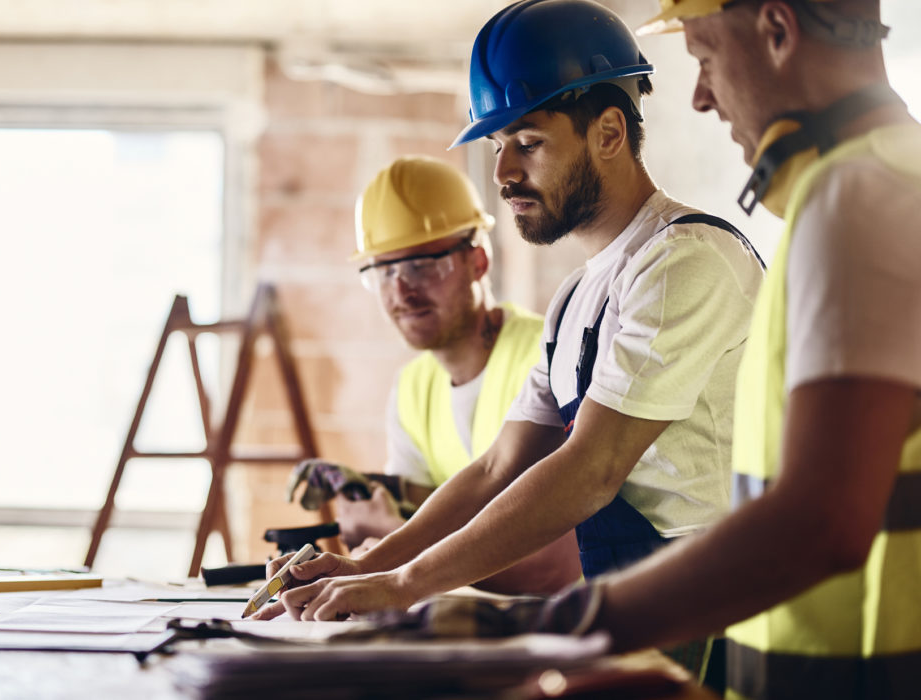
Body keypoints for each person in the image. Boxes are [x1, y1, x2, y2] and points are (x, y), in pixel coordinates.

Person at [254, 0, 765, 631]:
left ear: (608, 132)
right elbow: (501, 466)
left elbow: (592, 469)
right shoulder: (578, 295)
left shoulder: (684, 262)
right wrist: (370, 566)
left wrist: (403, 584)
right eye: (498, 146)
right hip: (635, 602)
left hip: (710, 609)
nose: (503, 173)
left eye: (527, 143)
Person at [505, 1, 920, 698]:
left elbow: (823, 522)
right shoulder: (887, 179)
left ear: (777, 31)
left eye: (704, 57)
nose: (700, 96)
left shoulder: (856, 194)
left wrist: (582, 622)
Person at [287, 155, 582, 595]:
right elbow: (435, 515)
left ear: (478, 261)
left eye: (422, 266)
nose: (401, 291)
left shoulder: (551, 356)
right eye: (383, 272)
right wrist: (381, 502)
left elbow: (553, 566)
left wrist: (390, 540)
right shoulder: (412, 389)